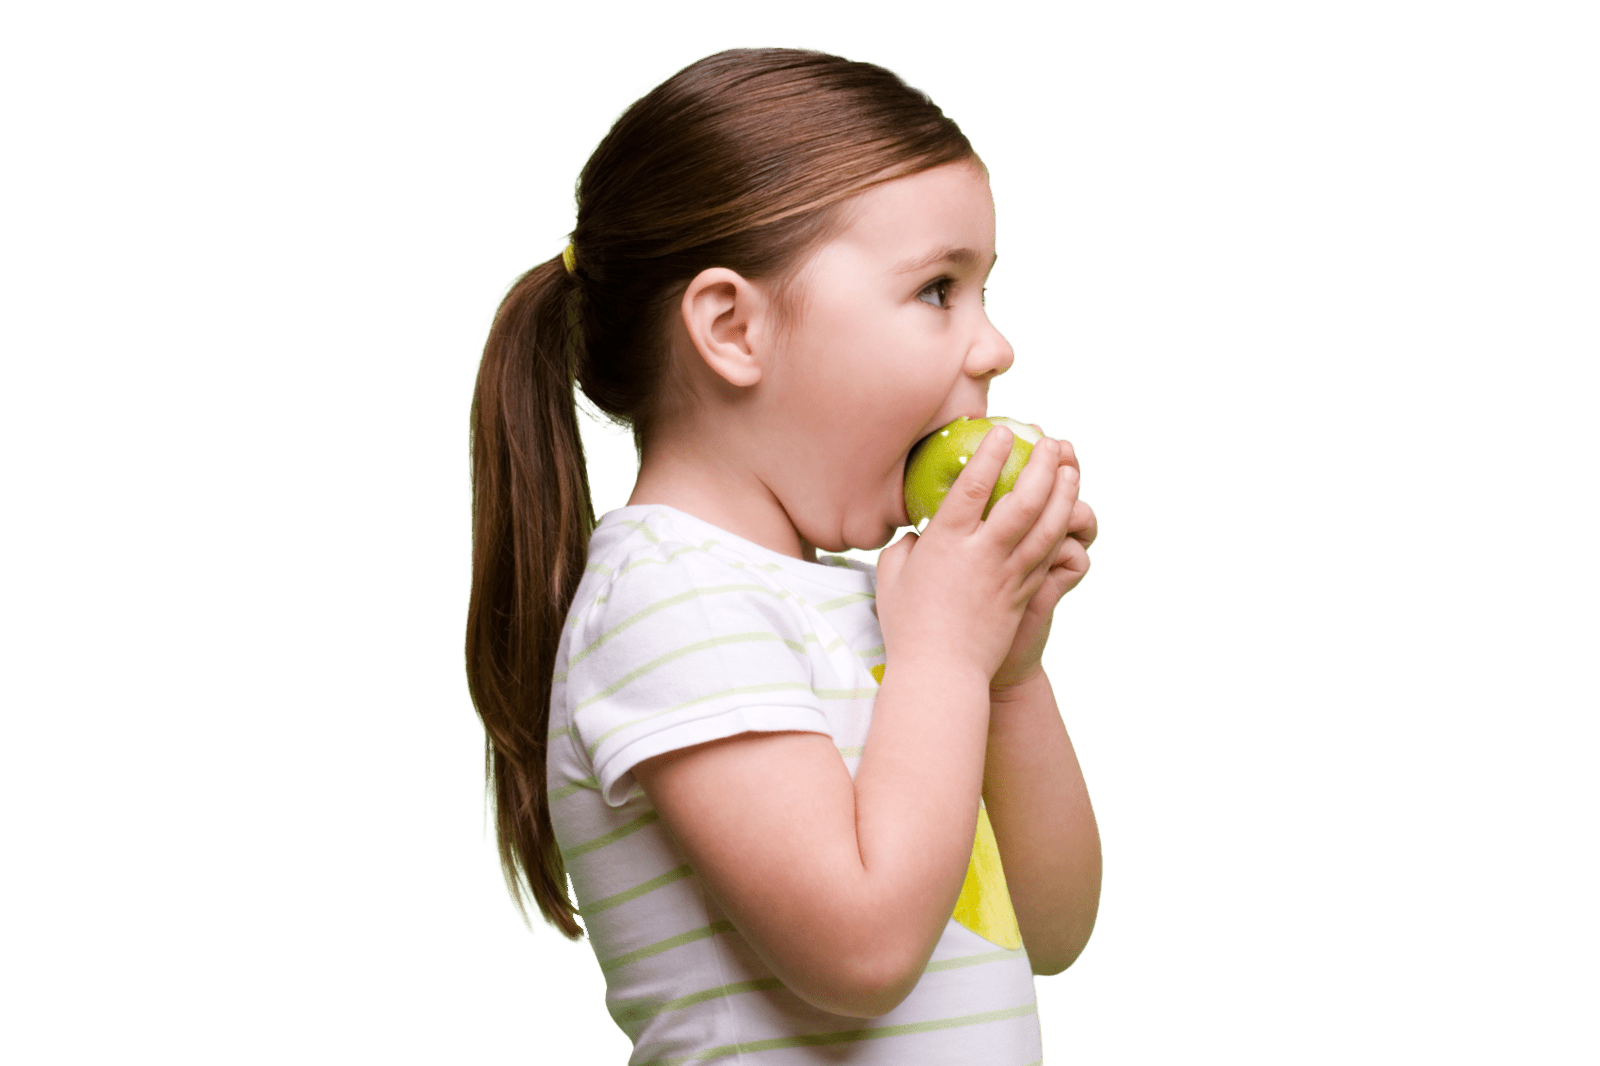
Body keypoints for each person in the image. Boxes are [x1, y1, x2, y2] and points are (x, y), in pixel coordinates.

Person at [464, 46, 1103, 1064]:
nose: (994, 348)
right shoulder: (667, 603)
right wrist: (943, 656)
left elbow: (1056, 926)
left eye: (985, 292)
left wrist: (1009, 670)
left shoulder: (878, 604)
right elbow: (859, 951)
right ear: (732, 328)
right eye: (939, 289)